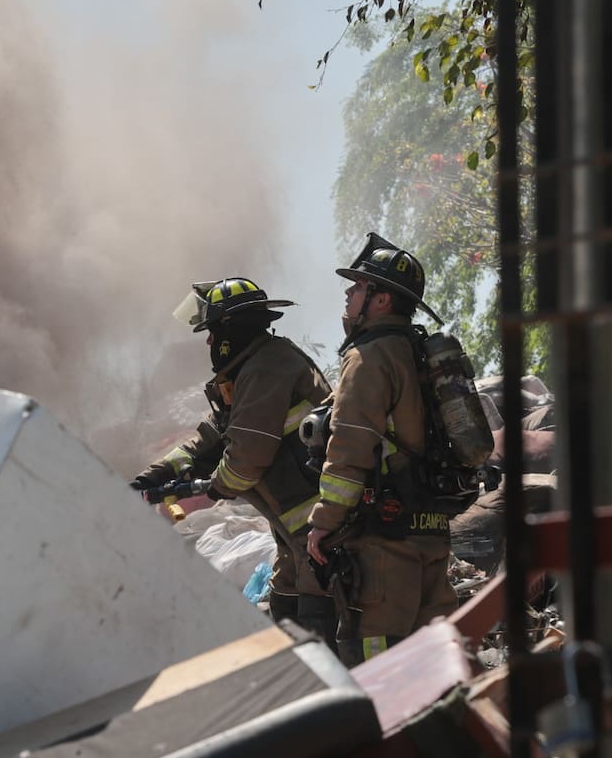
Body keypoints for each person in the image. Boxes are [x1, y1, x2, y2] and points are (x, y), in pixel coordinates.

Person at [132, 278, 334, 646]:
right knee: (286, 597)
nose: (209, 342)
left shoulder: (267, 365)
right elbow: (212, 435)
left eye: (211, 332)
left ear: (230, 330)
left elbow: (247, 458)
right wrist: (156, 475)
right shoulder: (248, 373)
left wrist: (216, 486)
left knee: (321, 618)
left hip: (319, 524)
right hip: (295, 532)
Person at [305, 233, 459, 667]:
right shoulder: (419, 351)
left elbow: (350, 445)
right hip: (431, 529)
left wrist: (323, 523)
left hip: (385, 543)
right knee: (438, 664)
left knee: (380, 665)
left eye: (357, 287)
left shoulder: (369, 356)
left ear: (381, 300)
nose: (349, 294)